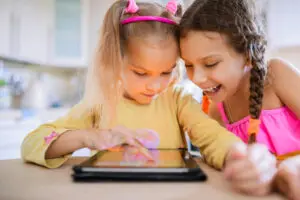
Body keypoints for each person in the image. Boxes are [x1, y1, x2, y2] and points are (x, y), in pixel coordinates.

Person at [21, 0, 275, 195]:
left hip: (172, 195)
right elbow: (32, 143)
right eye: (141, 72)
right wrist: (87, 136)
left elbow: (212, 135)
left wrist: (240, 156)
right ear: (115, 61)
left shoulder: (176, 99)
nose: (156, 85)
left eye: (167, 72)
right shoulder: (99, 103)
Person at [179, 0, 300, 162]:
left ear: (248, 54)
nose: (197, 78)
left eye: (210, 63)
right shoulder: (217, 110)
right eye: (188, 65)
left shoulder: (276, 75)